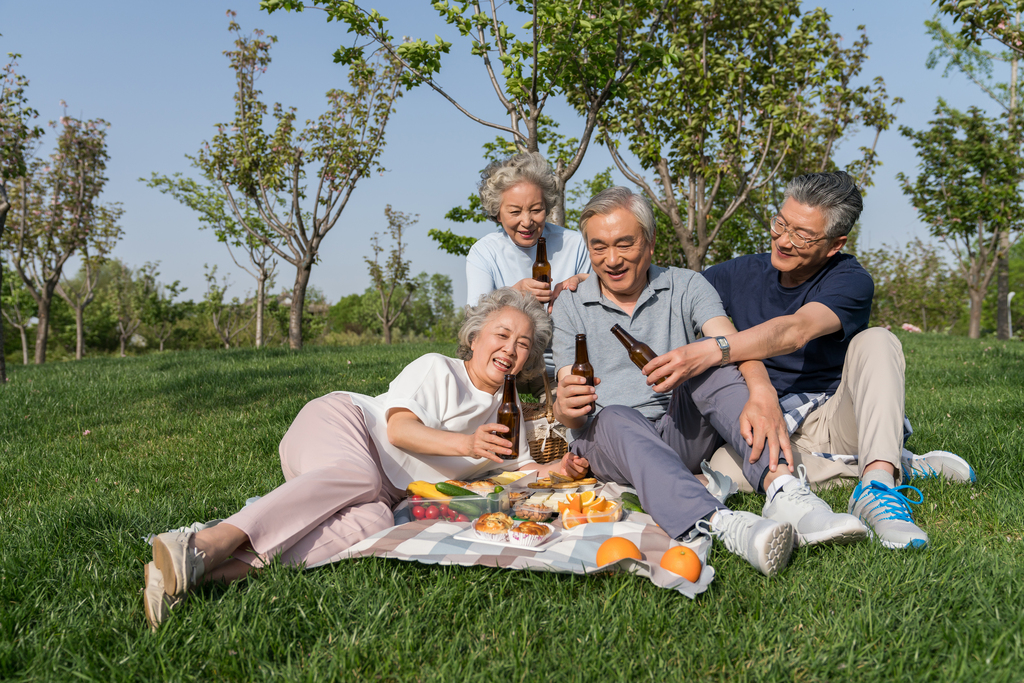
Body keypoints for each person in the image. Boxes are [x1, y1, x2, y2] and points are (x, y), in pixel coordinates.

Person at [144, 288, 561, 630]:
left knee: (374, 525)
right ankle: (203, 543)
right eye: (501, 335)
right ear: (475, 338)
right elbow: (398, 430)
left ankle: (193, 579)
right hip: (342, 426)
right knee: (358, 475)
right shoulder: (438, 369)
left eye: (523, 344)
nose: (510, 349)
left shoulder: (511, 411)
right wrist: (468, 445)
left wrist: (563, 470)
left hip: (379, 492)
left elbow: (521, 470)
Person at [641, 171, 975, 551]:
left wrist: (715, 348)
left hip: (831, 416)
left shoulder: (850, 280)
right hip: (760, 422)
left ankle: (877, 487)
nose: (783, 240)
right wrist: (587, 281)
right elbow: (668, 289)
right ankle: (890, 460)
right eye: (780, 223)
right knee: (721, 473)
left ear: (835, 244)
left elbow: (794, 331)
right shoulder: (734, 274)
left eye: (802, 234)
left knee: (878, 340)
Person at [550, 187, 868, 578]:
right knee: (615, 416)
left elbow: (728, 342)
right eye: (598, 248)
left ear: (649, 244)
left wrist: (761, 391)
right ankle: (722, 524)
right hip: (609, 439)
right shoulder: (570, 303)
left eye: (624, 244)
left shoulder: (688, 285)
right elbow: (568, 395)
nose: (611, 260)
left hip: (679, 431)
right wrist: (564, 409)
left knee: (711, 362)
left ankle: (785, 490)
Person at [465, 152, 591, 385]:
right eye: (514, 212)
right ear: (497, 213)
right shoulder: (484, 252)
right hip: (506, 364)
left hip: (568, 362)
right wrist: (512, 295)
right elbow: (473, 323)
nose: (527, 221)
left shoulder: (575, 244)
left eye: (536, 209)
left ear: (547, 206)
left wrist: (586, 284)